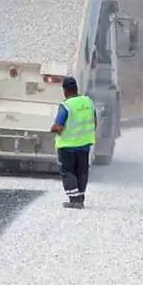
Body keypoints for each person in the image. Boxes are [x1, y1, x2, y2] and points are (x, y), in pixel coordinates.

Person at [50, 76, 96, 209]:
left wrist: (53, 129)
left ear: (65, 90)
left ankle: (74, 200)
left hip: (68, 146)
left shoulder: (66, 106)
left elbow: (59, 126)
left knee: (68, 171)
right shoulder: (88, 102)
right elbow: (95, 122)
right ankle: (80, 198)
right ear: (76, 88)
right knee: (82, 171)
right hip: (85, 145)